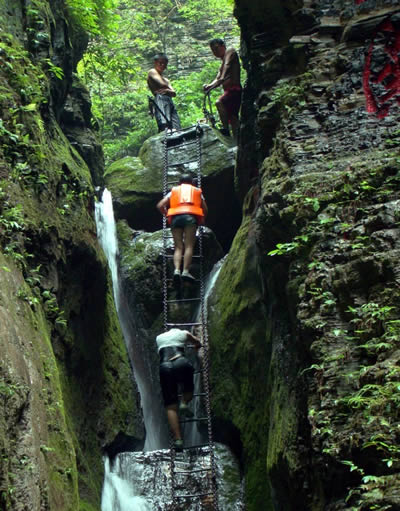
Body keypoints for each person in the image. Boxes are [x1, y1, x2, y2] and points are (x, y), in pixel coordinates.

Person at [156, 328, 202, 450]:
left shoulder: (159, 338)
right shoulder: (183, 333)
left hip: (165, 366)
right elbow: (197, 342)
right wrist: (197, 345)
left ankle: (178, 440)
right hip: (181, 361)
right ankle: (184, 402)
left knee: (170, 406)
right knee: (188, 390)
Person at [156, 174, 208, 284]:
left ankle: (176, 270)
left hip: (175, 219)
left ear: (179, 183)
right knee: (189, 245)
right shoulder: (197, 191)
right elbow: (205, 209)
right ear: (191, 183)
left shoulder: (173, 191)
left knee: (178, 247)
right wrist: (202, 219)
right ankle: (185, 271)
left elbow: (160, 205)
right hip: (190, 218)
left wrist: (166, 215)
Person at [203, 38, 242, 140]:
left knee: (219, 103)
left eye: (216, 48)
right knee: (233, 118)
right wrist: (209, 86)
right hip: (229, 91)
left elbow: (227, 65)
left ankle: (225, 130)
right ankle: (236, 140)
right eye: (213, 50)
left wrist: (222, 77)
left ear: (223, 46)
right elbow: (218, 78)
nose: (215, 52)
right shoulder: (222, 62)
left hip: (234, 89)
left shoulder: (230, 51)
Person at [147, 53, 181, 132]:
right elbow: (162, 84)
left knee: (176, 125)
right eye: (160, 63)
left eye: (165, 64)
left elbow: (174, 93)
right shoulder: (152, 72)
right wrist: (168, 90)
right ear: (155, 62)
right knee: (164, 123)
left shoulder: (166, 79)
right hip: (160, 98)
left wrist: (167, 90)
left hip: (169, 100)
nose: (162, 65)